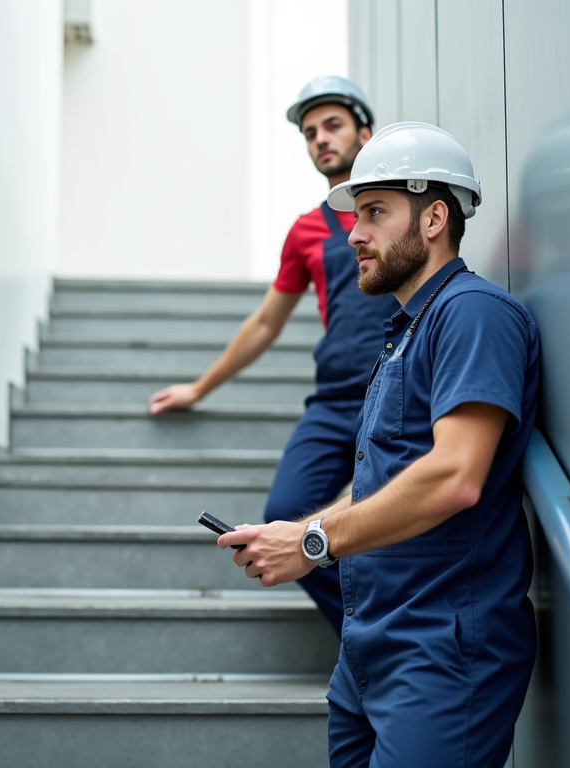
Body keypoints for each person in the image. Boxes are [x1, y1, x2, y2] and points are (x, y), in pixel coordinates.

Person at [219, 122, 540, 768]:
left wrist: (315, 542)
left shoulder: (474, 315)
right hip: (369, 650)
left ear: (434, 219)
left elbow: (455, 476)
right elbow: (382, 481)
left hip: (441, 654)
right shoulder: (403, 333)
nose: (354, 234)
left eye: (373, 214)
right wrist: (300, 530)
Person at [148, 75, 398, 632]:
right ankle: (375, 638)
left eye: (332, 126)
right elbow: (266, 322)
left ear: (366, 132)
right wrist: (199, 387)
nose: (319, 140)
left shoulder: (396, 213)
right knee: (283, 520)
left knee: (384, 514)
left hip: (397, 389)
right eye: (309, 133)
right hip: (333, 400)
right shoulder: (306, 231)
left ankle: (391, 644)